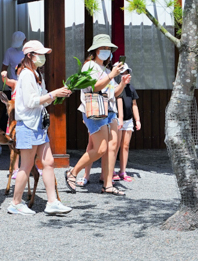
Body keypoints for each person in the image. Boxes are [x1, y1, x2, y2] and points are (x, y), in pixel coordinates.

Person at [8, 40, 72, 215]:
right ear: (30, 55)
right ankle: (15, 203)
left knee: (48, 162)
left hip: (37, 125)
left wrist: (59, 93)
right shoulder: (27, 75)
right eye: (39, 54)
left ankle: (52, 202)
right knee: (26, 166)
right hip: (28, 125)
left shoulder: (36, 74)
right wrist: (54, 94)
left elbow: (43, 97)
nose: (42, 57)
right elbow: (31, 102)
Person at [65, 34, 129, 196]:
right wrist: (111, 75)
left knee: (112, 147)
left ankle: (108, 184)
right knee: (100, 149)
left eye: (109, 49)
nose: (107, 52)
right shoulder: (89, 66)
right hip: (94, 111)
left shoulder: (108, 70)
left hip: (110, 110)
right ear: (95, 51)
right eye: (103, 49)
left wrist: (122, 82)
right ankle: (73, 172)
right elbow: (94, 88)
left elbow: (113, 93)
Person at [115, 63, 140, 182]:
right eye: (122, 73)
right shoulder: (114, 88)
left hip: (128, 120)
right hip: (116, 120)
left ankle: (122, 171)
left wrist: (138, 120)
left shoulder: (131, 88)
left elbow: (134, 105)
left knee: (125, 146)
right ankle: (112, 171)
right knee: (114, 147)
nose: (125, 75)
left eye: (127, 72)